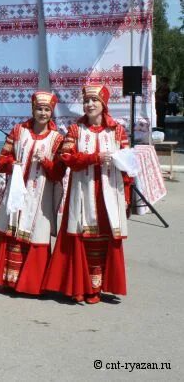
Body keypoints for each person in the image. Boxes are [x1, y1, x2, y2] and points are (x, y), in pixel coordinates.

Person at [43, 85, 131, 304]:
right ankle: (80, 286)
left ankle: (99, 286)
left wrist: (126, 196)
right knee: (82, 235)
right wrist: (94, 158)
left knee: (105, 235)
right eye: (86, 101)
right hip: (83, 190)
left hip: (109, 191)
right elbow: (67, 158)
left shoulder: (117, 131)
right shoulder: (75, 130)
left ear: (103, 104)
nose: (89, 104)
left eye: (94, 100)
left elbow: (128, 167)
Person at [0, 91, 65, 295]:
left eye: (47, 110)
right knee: (11, 229)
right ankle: (8, 280)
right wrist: (13, 163)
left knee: (36, 232)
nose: (43, 113)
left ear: (51, 112)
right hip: (17, 193)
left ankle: (31, 283)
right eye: (39, 108)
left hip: (41, 196)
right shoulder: (18, 131)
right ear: (32, 109)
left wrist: (46, 161)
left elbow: (58, 173)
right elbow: (2, 161)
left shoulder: (57, 139)